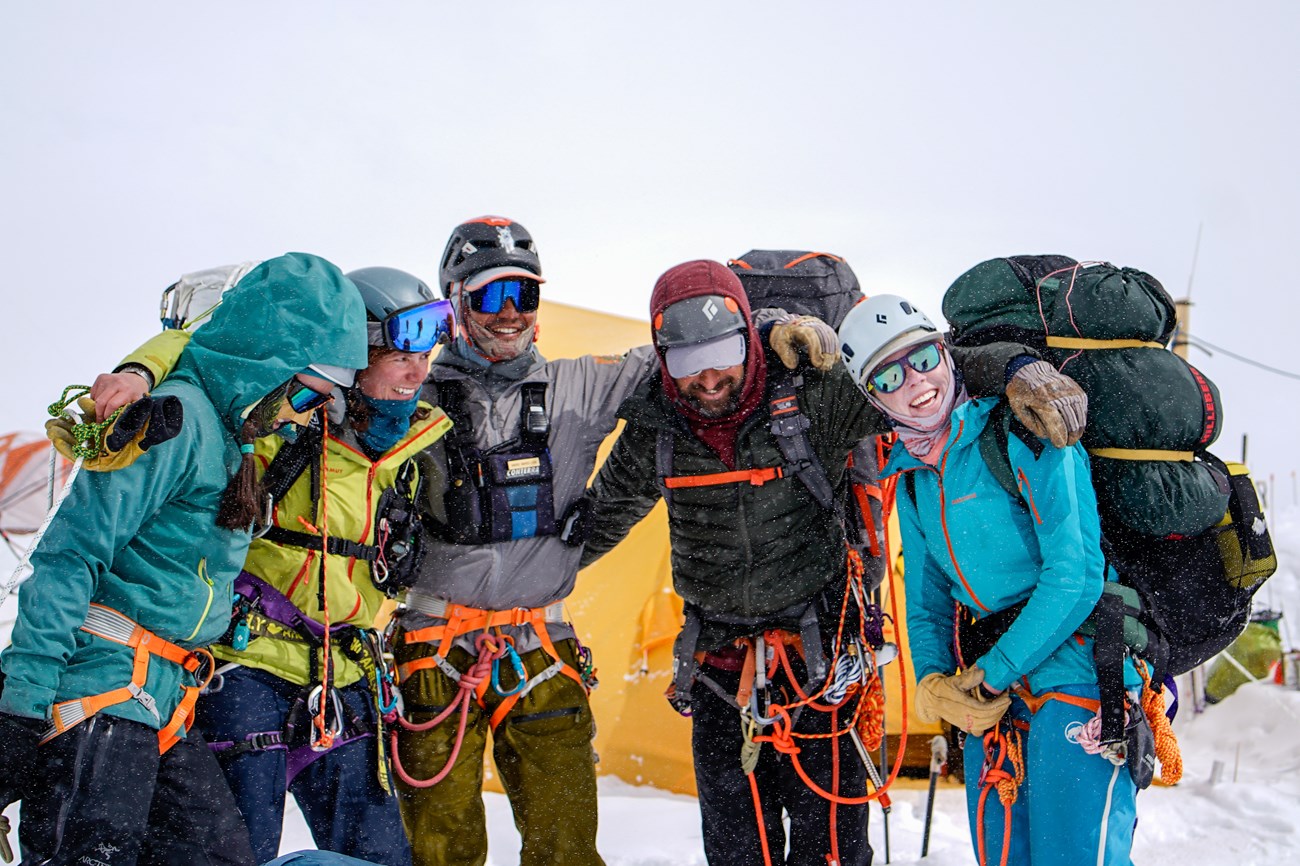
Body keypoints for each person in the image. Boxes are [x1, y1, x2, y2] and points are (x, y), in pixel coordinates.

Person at [577, 260, 1089, 866]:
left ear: (747, 333)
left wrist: (1014, 368)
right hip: (717, 670)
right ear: (663, 359)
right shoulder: (653, 431)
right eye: (688, 362)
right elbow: (596, 523)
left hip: (823, 667)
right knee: (738, 854)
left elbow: (914, 372)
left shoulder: (812, 398)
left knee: (834, 855)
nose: (710, 376)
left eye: (726, 351)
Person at [73, 267, 456, 864]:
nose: (419, 371)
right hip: (246, 670)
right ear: (354, 356)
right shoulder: (281, 426)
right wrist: (140, 370)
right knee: (236, 851)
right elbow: (215, 345)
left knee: (382, 856)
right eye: (402, 353)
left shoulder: (411, 449)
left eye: (427, 353)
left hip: (346, 674)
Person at [0, 253, 368, 866]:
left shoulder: (232, 435)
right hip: (101, 695)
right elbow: (69, 557)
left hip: (167, 699)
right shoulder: (178, 421)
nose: (305, 416)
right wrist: (19, 704)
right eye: (307, 395)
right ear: (267, 364)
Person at [837, 294, 1140, 866]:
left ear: (946, 352)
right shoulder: (910, 477)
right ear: (872, 397)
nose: (916, 382)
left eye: (923, 358)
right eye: (889, 376)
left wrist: (990, 677)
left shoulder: (1023, 432)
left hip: (1077, 674)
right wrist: (933, 682)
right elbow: (926, 605)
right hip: (992, 699)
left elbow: (1075, 577)